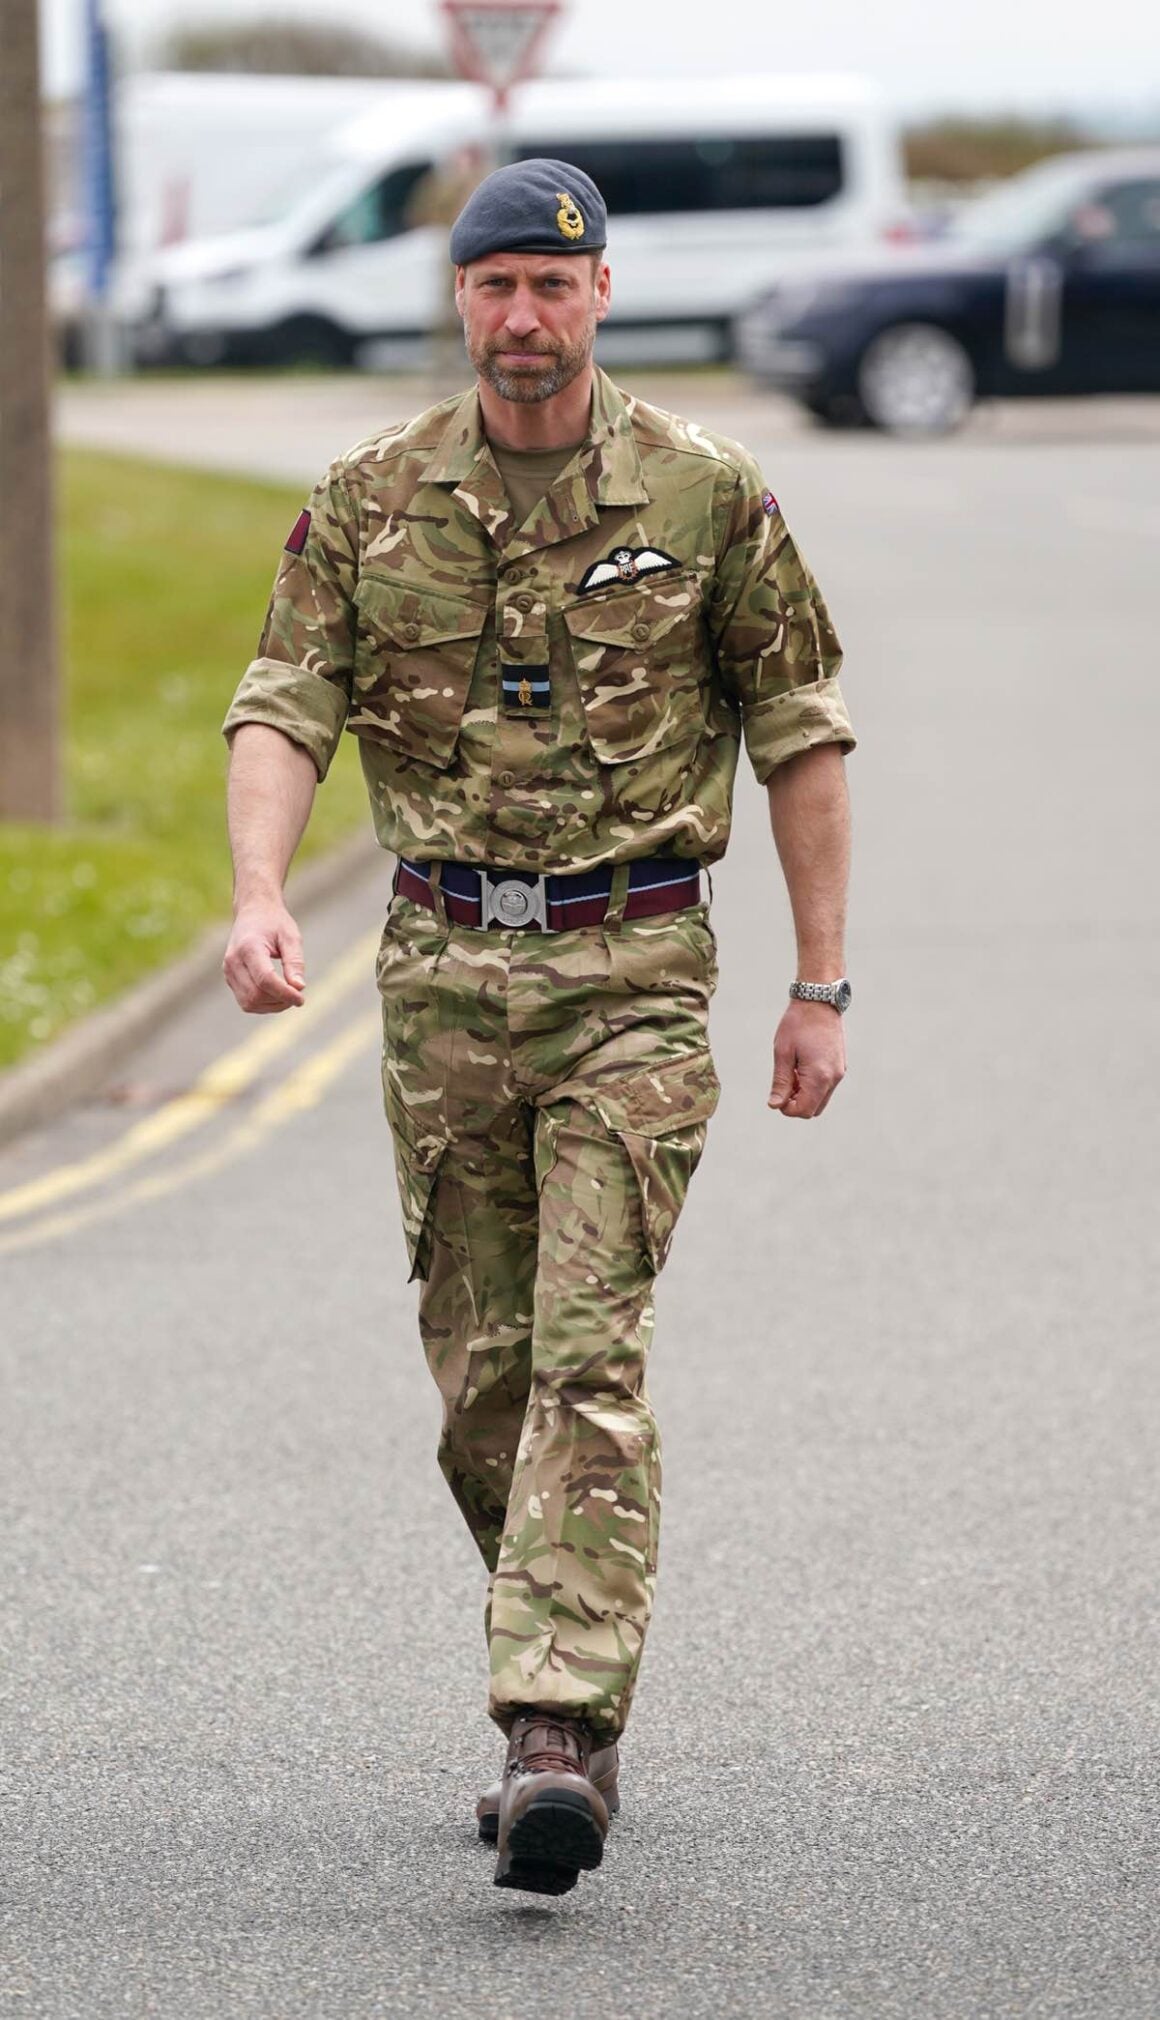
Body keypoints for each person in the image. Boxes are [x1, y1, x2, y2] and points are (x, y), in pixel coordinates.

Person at [221, 158, 855, 1897]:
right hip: (440, 979)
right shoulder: (367, 497)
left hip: (636, 967)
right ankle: (565, 1668)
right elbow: (286, 699)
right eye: (494, 287)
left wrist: (821, 981)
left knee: (588, 1345)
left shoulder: (709, 495)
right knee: (482, 1382)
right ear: (461, 302)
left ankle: (553, 1724)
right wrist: (262, 891)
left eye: (552, 288)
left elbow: (801, 729)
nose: (522, 318)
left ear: (599, 296)